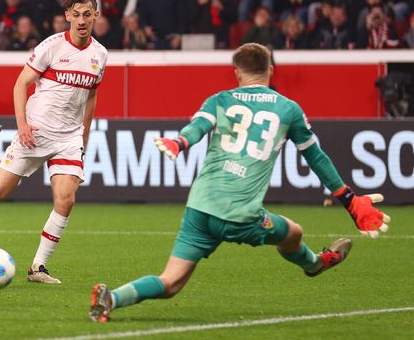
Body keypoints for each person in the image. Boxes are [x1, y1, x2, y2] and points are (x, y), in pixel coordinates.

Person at [88, 43, 390, 323]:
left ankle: (111, 298)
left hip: (201, 209)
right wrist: (349, 199)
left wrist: (179, 142)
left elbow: (198, 127)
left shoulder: (220, 99)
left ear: (236, 73)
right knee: (293, 232)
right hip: (241, 215)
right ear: (270, 69)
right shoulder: (288, 109)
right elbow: (316, 157)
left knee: (170, 283)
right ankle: (314, 264)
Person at [0, 0, 107, 284]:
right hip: (35, 131)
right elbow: (21, 84)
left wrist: (84, 137)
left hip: (69, 137)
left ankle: (38, 267)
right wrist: (22, 125)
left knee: (66, 199)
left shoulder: (100, 55)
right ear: (67, 16)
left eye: (88, 14)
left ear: (96, 16)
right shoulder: (52, 46)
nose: (82, 20)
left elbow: (91, 96)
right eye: (76, 14)